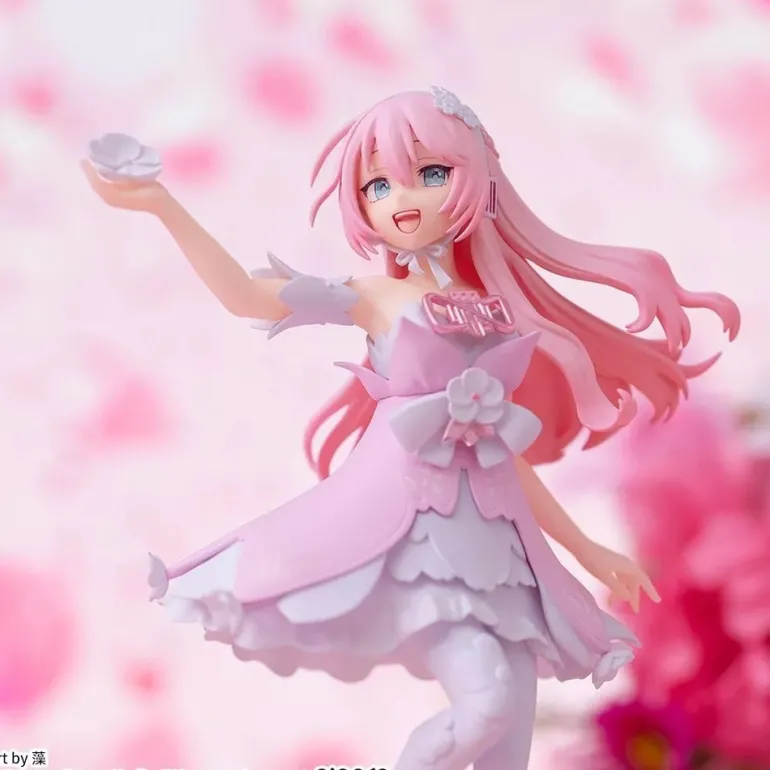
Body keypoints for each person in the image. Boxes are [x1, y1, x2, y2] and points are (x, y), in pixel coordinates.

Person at [82, 86, 739, 770]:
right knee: (485, 704)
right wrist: (163, 206)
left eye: (430, 173)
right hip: (413, 535)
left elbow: (501, 455)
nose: (402, 197)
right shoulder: (377, 297)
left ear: (478, 178)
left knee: (508, 736)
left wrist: (587, 550)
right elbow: (247, 296)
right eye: (377, 185)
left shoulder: (497, 310)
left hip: (498, 548)